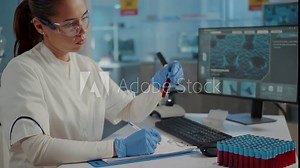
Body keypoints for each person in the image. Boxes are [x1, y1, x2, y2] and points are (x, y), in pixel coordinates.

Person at [0, 0, 184, 167]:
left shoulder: (87, 68)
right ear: (40, 26)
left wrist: (158, 86)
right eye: (70, 24)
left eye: (84, 18)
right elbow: (38, 149)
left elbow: (129, 110)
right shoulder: (23, 71)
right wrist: (115, 148)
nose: (82, 30)